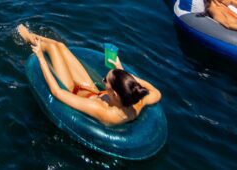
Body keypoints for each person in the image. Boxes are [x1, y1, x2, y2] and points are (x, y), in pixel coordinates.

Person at [17, 25, 161, 125]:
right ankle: (30, 37)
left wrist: (41, 58)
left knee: (52, 49)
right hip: (90, 89)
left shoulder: (104, 111)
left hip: (71, 89)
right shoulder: (136, 104)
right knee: (60, 46)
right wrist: (121, 71)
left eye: (106, 80)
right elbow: (157, 93)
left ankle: (28, 38)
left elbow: (57, 92)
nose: (103, 79)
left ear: (116, 94)